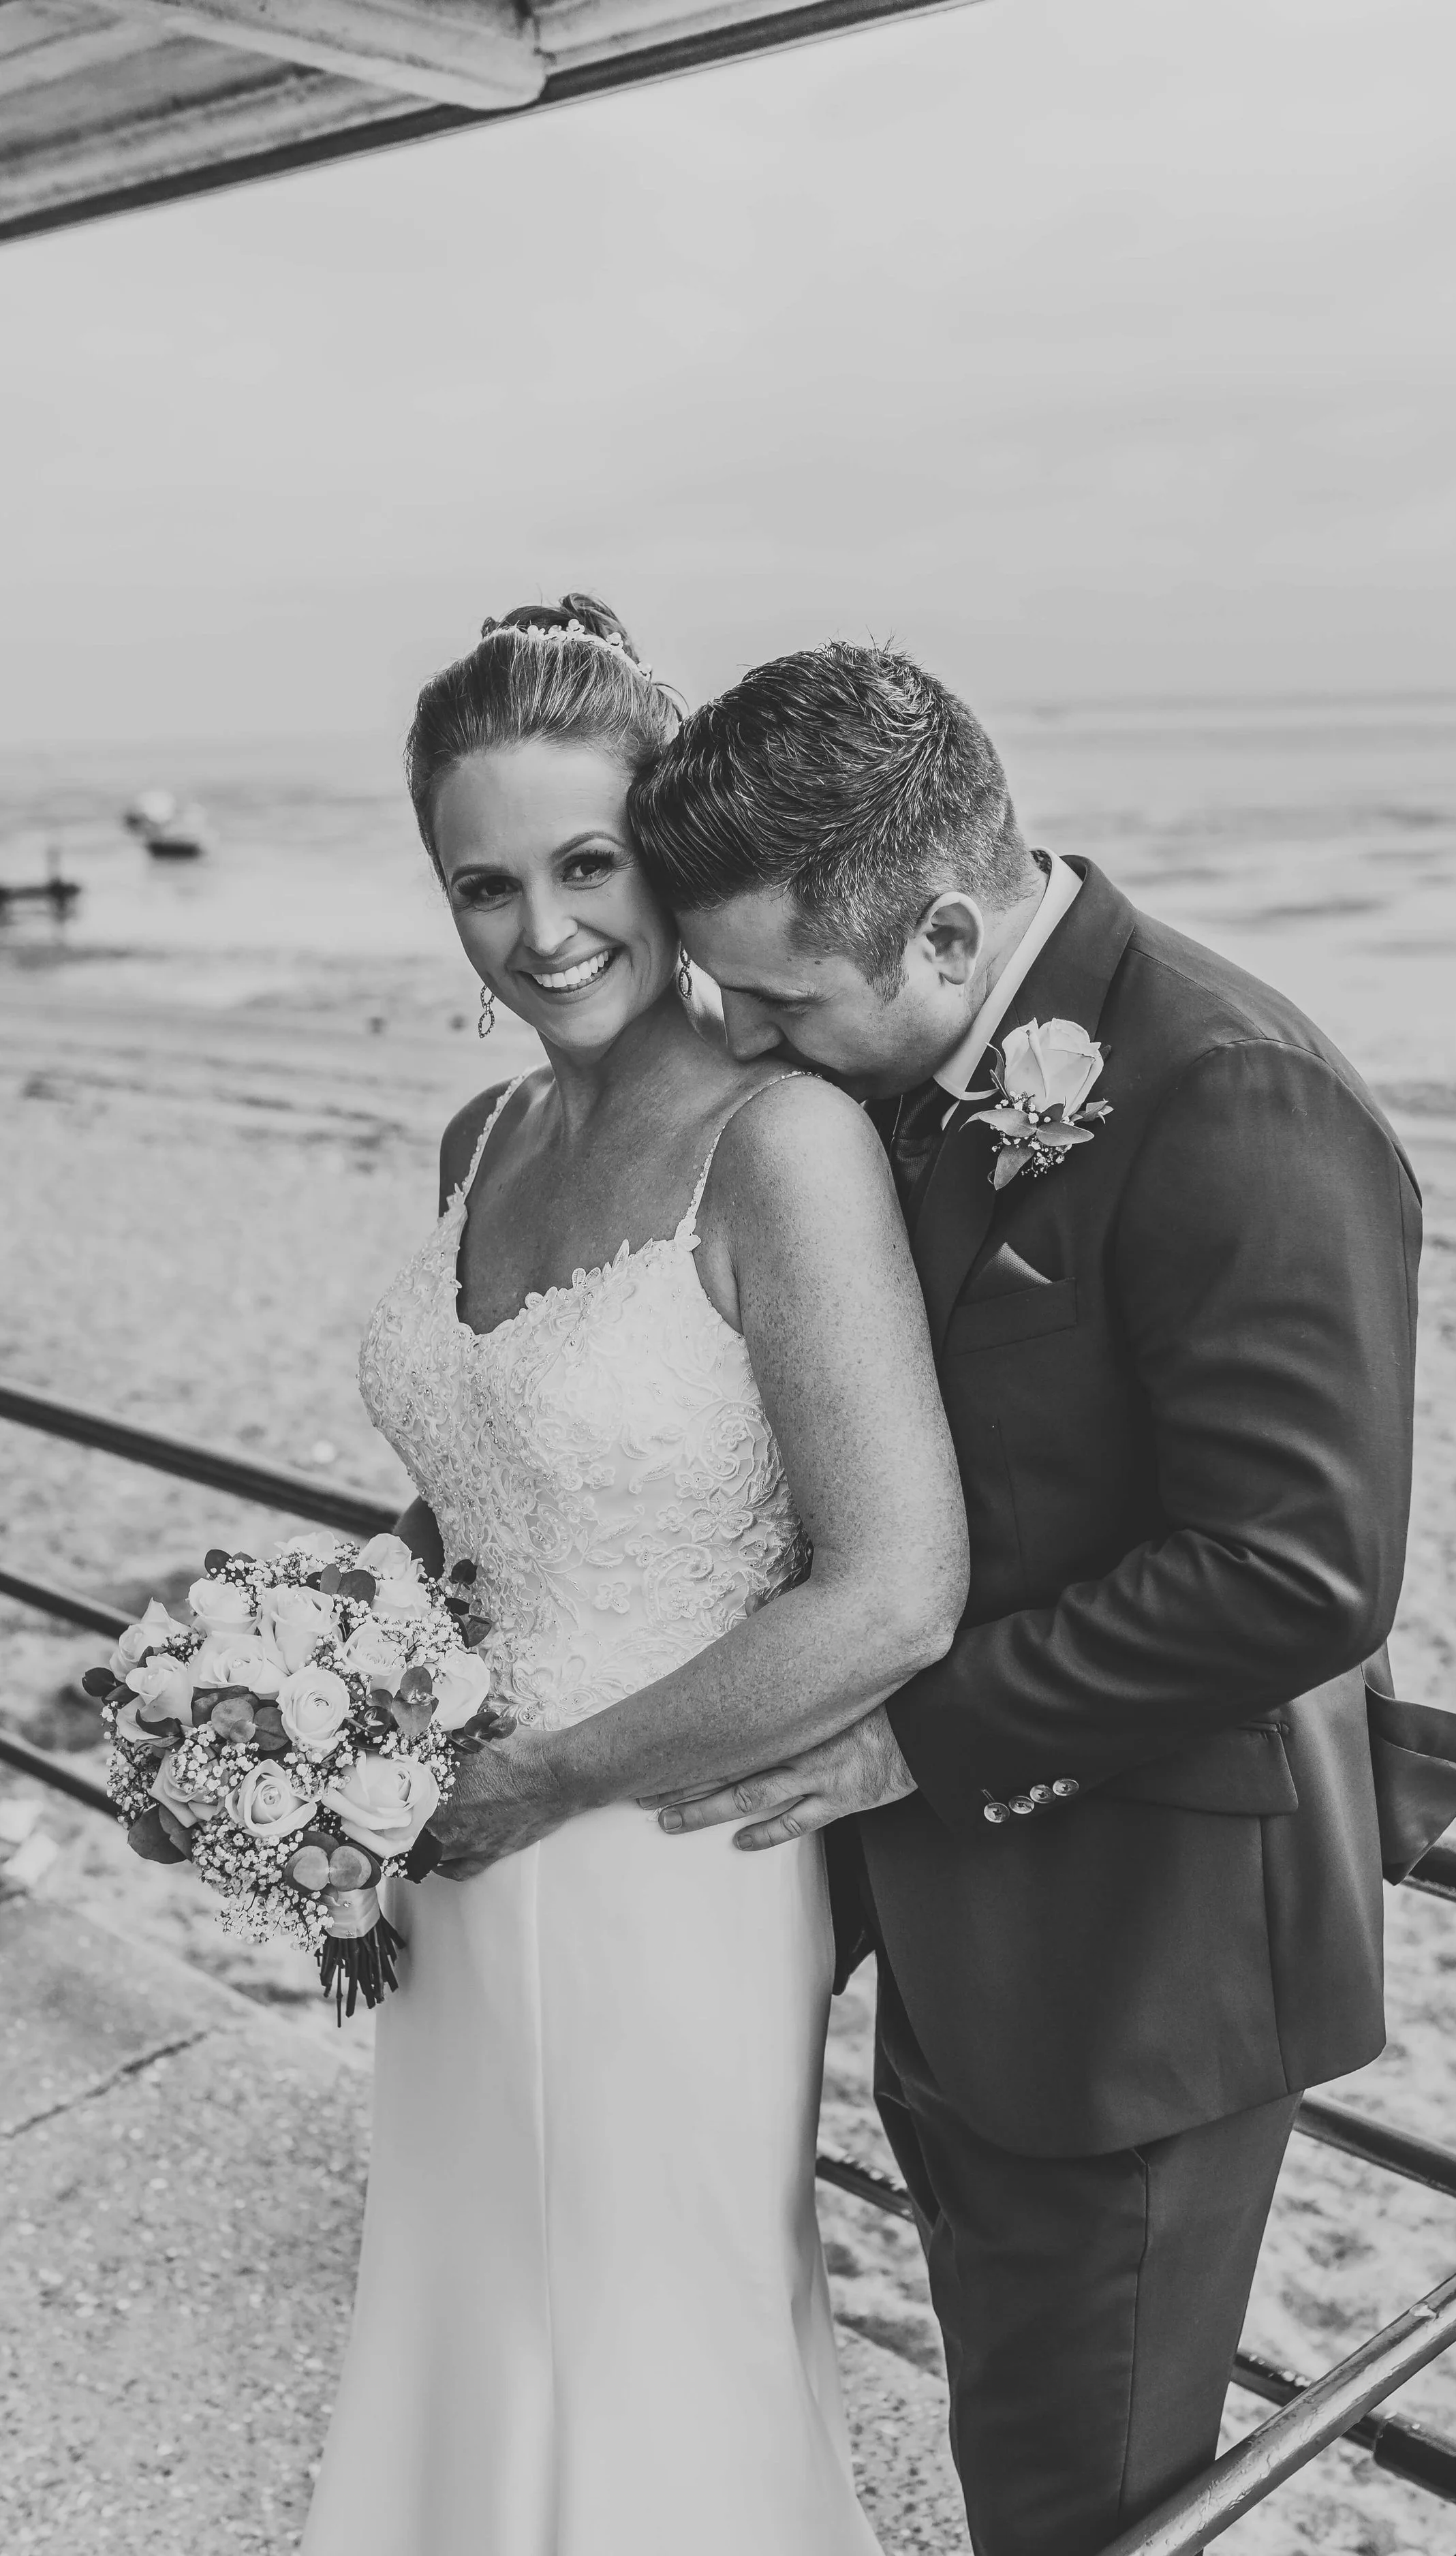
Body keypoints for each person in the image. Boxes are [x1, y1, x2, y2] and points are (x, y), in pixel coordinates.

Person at [619, 641, 1423, 2556]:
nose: (738, 1033)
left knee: (1087, 2507)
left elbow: (1293, 1568)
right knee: (1013, 2449)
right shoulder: (896, 1061)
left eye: (780, 994)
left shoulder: (1233, 1091)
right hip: (961, 1937)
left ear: (951, 925)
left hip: (1138, 1967)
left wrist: (916, 1726)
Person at [302, 598, 969, 2556]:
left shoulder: (785, 1145)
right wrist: (320, 1707)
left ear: (661, 855)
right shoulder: (481, 1128)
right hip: (447, 1848)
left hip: (669, 1858)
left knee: (654, 2329)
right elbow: (472, 1495)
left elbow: (892, 1592)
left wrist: (549, 1776)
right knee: (469, 2301)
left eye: (585, 864)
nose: (542, 933)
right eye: (481, 882)